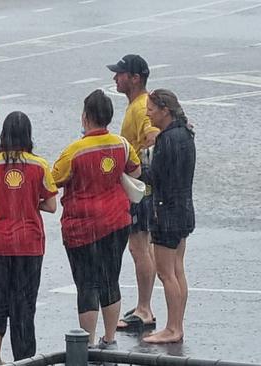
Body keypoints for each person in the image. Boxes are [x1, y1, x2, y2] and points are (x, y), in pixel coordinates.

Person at [52, 89, 141, 349]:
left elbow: (53, 180)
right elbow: (135, 171)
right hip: (117, 222)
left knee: (86, 284)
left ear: (86, 117)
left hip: (83, 227)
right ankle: (110, 339)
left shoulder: (74, 151)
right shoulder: (122, 144)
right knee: (110, 279)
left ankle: (87, 344)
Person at [0, 111, 57, 365]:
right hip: (30, 243)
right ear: (28, 135)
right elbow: (51, 205)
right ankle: (24, 359)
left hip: (0, 242)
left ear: (4, 134)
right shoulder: (39, 165)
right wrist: (31, 201)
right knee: (24, 305)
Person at [106, 54, 160, 331]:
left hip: (140, 190)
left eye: (121, 74)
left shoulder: (141, 108)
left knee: (139, 248)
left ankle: (144, 309)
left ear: (135, 78)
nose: (116, 77)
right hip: (145, 188)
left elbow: (154, 134)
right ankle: (144, 306)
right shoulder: (139, 104)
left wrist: (138, 164)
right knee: (143, 247)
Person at [142, 89, 195, 344]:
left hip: (166, 212)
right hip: (184, 208)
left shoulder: (166, 140)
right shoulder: (186, 133)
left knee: (165, 273)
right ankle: (177, 325)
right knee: (177, 269)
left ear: (165, 110)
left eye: (151, 109)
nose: (147, 113)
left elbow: (154, 177)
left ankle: (173, 328)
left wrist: (138, 168)